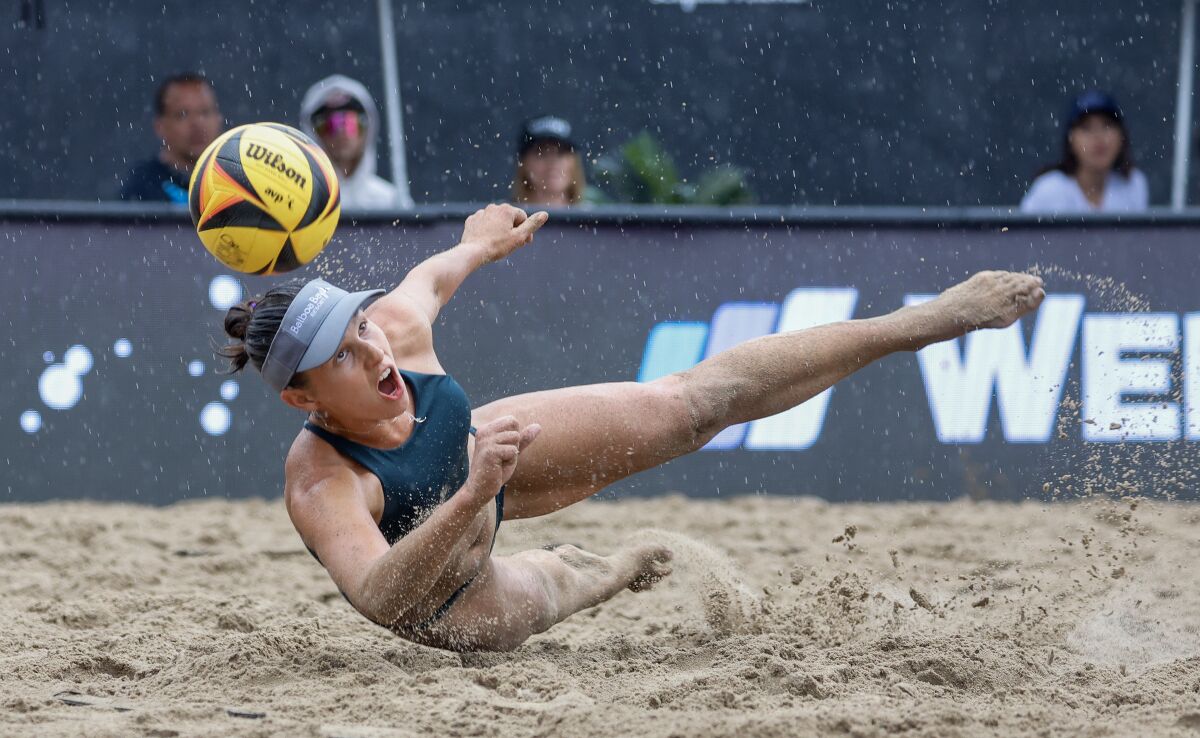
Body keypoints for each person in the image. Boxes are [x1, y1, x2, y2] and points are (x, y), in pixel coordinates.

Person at [218, 204, 1044, 652]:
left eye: (359, 326)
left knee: (694, 405)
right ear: (304, 400)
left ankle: (926, 320)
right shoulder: (321, 481)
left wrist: (478, 243)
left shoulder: (391, 334)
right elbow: (381, 601)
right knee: (561, 589)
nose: (370, 348)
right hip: (452, 592)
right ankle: (602, 571)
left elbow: (431, 276)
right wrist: (473, 495)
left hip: (483, 458)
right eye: (340, 354)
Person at [1020, 90, 1149, 214]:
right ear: (1070, 140)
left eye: (1107, 125)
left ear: (1122, 136)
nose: (1098, 136)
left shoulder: (1133, 184)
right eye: (1086, 127)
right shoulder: (1048, 191)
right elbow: (1019, 236)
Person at [299, 74, 413, 210]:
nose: (341, 133)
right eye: (329, 125)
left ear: (368, 128)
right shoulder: (302, 197)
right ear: (314, 134)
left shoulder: (390, 201)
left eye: (350, 123)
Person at [118, 73, 222, 203]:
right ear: (160, 126)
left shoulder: (237, 181)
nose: (196, 123)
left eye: (205, 112)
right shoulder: (142, 189)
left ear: (219, 119)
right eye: (182, 114)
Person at [511, 115, 587, 206]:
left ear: (574, 163)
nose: (552, 163)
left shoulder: (595, 218)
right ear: (524, 163)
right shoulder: (502, 217)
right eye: (542, 153)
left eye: (561, 153)